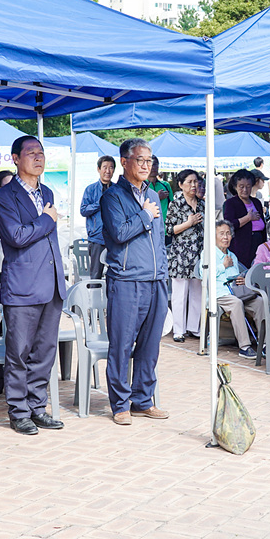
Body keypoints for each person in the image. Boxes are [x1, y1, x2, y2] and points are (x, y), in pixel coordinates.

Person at [0, 136, 67, 435]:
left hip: (51, 284)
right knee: (19, 351)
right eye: (31, 153)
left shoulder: (47, 190)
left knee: (45, 351)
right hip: (22, 284)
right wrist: (48, 219)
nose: (38, 158)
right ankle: (19, 411)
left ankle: (38, 407)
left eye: (41, 153)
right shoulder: (5, 196)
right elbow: (17, 237)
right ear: (15, 158)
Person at [101, 138, 170, 425]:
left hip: (156, 280)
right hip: (127, 280)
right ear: (125, 162)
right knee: (122, 344)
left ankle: (143, 400)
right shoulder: (112, 197)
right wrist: (144, 215)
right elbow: (118, 233)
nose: (145, 165)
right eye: (140, 160)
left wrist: (164, 271)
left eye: (149, 160)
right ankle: (120, 403)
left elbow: (160, 239)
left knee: (150, 345)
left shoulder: (153, 195)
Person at [199, 221, 265, 359]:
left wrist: (241, 279)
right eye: (221, 234)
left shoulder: (232, 255)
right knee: (236, 303)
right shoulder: (208, 253)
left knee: (259, 302)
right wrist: (223, 266)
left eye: (228, 233)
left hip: (235, 292)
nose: (225, 237)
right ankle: (244, 346)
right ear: (214, 236)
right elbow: (204, 275)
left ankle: (264, 343)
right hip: (219, 294)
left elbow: (234, 277)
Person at [165, 169, 205, 344]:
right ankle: (178, 330)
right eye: (189, 182)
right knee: (180, 293)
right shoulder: (175, 204)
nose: (194, 185)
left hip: (199, 252)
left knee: (197, 291)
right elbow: (169, 229)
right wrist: (188, 223)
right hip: (181, 253)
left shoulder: (202, 204)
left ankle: (194, 328)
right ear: (180, 185)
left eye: (195, 181)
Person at [79, 155, 116, 280]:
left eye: (111, 168)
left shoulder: (118, 190)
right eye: (104, 167)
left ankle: (111, 300)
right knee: (96, 276)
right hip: (97, 238)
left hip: (115, 239)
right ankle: (93, 299)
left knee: (116, 275)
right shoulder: (90, 189)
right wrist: (99, 203)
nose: (107, 171)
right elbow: (83, 210)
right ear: (98, 169)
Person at [223, 169, 267, 269]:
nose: (245, 190)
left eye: (248, 186)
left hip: (258, 245)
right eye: (241, 187)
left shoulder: (256, 202)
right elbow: (229, 225)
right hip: (241, 246)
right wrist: (248, 218)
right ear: (235, 187)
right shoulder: (231, 203)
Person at [148, 158, 172, 227]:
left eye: (155, 164)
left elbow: (172, 205)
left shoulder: (166, 185)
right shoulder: (140, 186)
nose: (153, 167)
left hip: (165, 228)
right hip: (149, 228)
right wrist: (157, 197)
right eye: (150, 164)